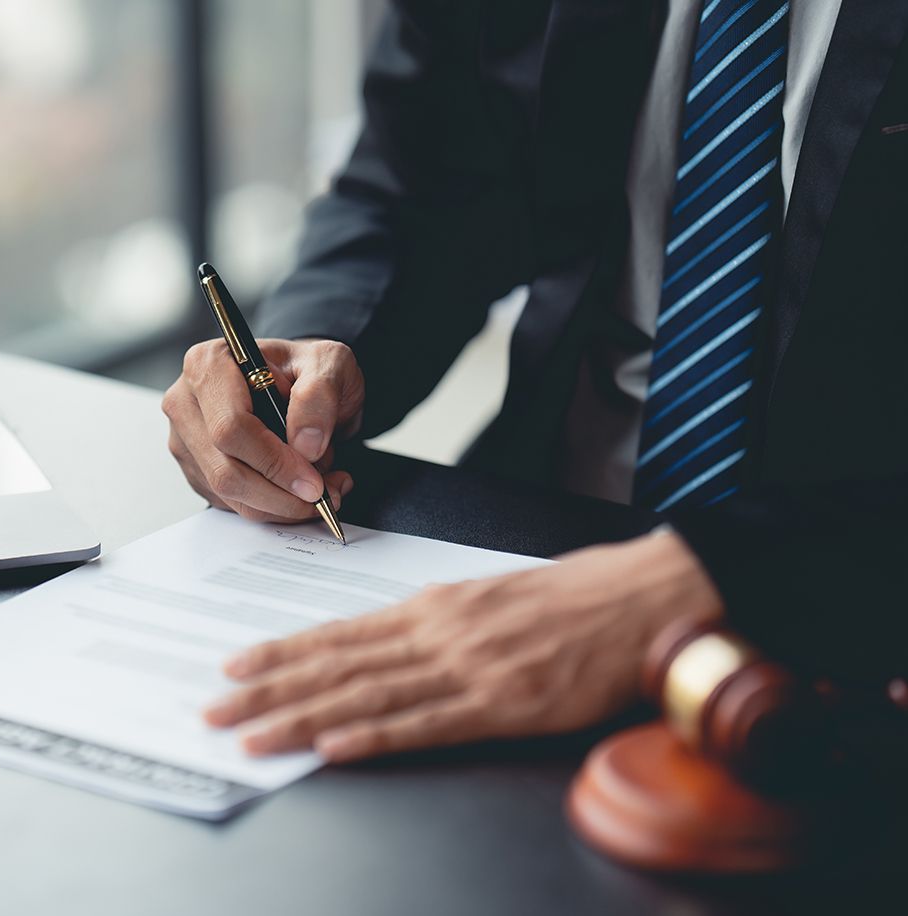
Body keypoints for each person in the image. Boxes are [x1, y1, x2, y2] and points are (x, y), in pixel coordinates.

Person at [163, 1, 906, 763]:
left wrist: (721, 575)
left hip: (846, 620)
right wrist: (310, 355)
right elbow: (416, 179)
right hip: (527, 536)